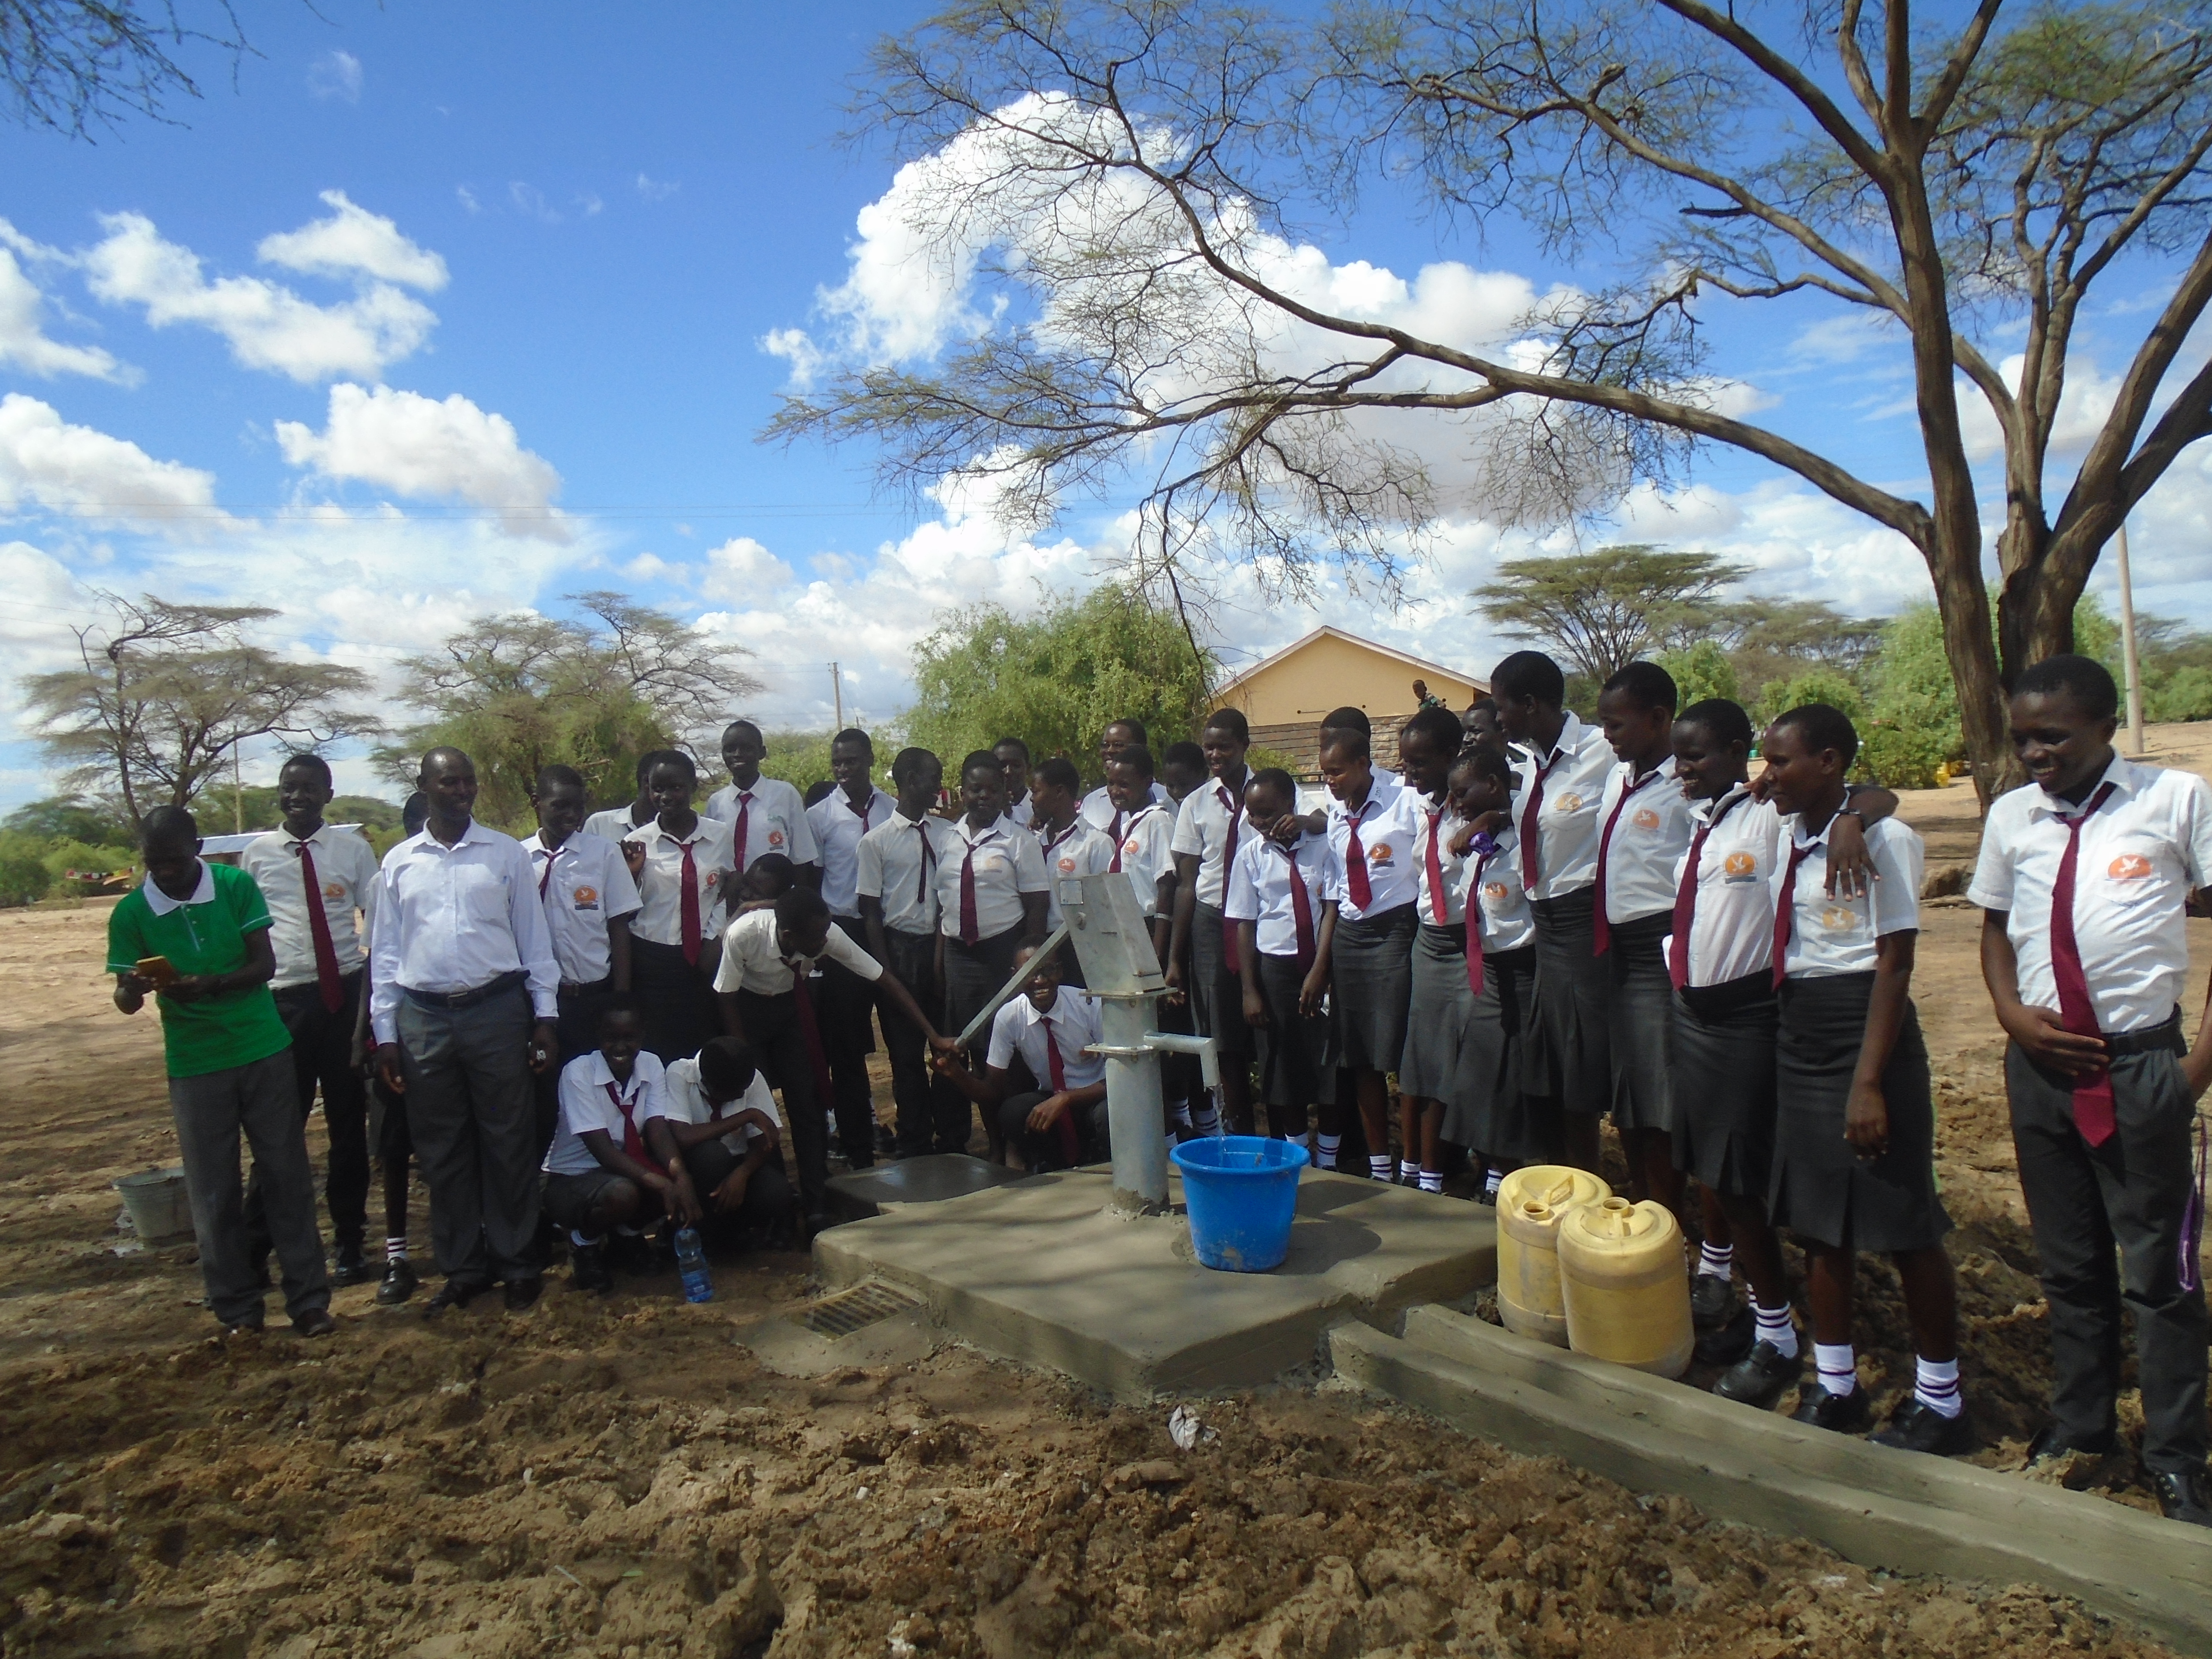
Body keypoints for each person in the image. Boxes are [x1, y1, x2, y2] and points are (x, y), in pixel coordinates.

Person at [1970, 655, 2212, 1522]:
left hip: (2142, 1068)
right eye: (2022, 737)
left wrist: (2188, 1077)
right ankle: (2080, 1429)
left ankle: (2178, 1453)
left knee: (2161, 1273)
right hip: (2038, 1068)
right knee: (2069, 1268)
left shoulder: (2173, 802)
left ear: (2104, 727)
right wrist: (2008, 1013)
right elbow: (1994, 932)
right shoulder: (2010, 817)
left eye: (2053, 736)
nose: (2034, 753)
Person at [1671, 701, 1902, 1390]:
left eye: (1700, 757)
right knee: (1720, 1176)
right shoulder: (1707, 817)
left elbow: (1870, 794)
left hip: (1752, 1016)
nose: (1684, 770)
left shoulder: (1773, 815)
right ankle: (1763, 1316)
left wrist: (1856, 815)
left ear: (1741, 752)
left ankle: (1781, 1338)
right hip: (1695, 1016)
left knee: (1746, 1182)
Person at [1761, 704, 1964, 1452]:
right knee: (1818, 1222)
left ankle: (1942, 1399)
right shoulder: (1790, 832)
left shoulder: (1885, 838)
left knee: (1903, 1222)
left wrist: (1868, 1081)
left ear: (1828, 760)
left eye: (1782, 761)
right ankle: (1837, 1384)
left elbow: (1894, 961)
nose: (1768, 773)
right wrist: (1844, 808)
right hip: (1801, 1029)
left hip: (1866, 1033)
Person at [110, 807, 334, 1337]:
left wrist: (211, 984)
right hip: (195, 1063)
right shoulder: (131, 913)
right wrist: (131, 989)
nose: (163, 871)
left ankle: (308, 1301)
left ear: (199, 847)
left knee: (286, 1177)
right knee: (213, 1191)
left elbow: (265, 966)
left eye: (174, 860)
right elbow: (123, 999)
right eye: (153, 862)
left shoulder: (234, 886)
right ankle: (236, 1308)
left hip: (262, 1048)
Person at [370, 746, 562, 1316]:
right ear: (424, 786)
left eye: (468, 781)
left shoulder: (504, 855)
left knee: (509, 1140)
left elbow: (535, 942)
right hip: (423, 1018)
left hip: (497, 1009)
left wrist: (545, 1018)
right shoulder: (398, 862)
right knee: (442, 1148)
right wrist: (385, 1034)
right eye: (448, 782)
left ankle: (519, 1263)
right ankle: (463, 1268)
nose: (460, 791)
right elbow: (384, 953)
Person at [714, 888, 954, 1230]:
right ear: (788, 936)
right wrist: (743, 1058)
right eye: (816, 938)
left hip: (789, 1009)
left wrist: (932, 1035)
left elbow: (883, 978)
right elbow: (726, 996)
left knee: (807, 1104)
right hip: (746, 1011)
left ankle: (816, 1202)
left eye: (826, 933)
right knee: (758, 1103)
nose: (825, 941)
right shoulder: (744, 935)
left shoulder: (826, 936)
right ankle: (775, 1203)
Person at [239, 752, 379, 1285]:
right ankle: (257, 1249)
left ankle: (349, 1244)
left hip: (343, 998)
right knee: (279, 1133)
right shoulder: (257, 857)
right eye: (287, 787)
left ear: (328, 793)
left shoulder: (353, 850)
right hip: (283, 1006)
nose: (296, 796)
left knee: (347, 1131)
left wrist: (368, 1019)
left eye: (308, 788)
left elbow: (379, 928)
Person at [1490, 650, 1618, 1172]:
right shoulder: (1533, 763)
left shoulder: (1602, 754)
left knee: (1581, 1072)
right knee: (1550, 1070)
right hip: (1543, 930)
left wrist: (1857, 811)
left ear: (1530, 703)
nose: (1498, 718)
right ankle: (1563, 1179)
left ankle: (1590, 1187)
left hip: (1583, 925)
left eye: (1502, 707)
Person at [1591, 663, 1696, 1212]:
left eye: (1616, 726)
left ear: (1658, 719)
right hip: (1617, 953)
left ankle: (1667, 1213)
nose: (1606, 737)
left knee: (1659, 1093)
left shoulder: (1688, 785)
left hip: (1659, 951)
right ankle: (1640, 1198)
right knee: (1627, 1090)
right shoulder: (1618, 777)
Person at [1441, 745, 1551, 1198]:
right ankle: (1497, 1173)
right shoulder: (1475, 845)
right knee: (1478, 1083)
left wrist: (1496, 819)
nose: (1456, 803)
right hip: (1487, 976)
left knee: (1517, 1091)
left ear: (1492, 784)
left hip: (1524, 975)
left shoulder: (1526, 840)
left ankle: (1527, 1184)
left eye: (1462, 791)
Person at [541, 997, 701, 1293]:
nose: (620, 1047)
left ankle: (626, 1236)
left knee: (674, 1178)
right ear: (598, 1036)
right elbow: (602, 1150)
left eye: (629, 1038)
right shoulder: (578, 1073)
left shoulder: (651, 1064)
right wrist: (664, 1185)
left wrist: (680, 1177)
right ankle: (583, 1244)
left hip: (621, 1170)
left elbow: (658, 1132)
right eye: (611, 1038)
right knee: (626, 1193)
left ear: (642, 1035)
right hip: (573, 1181)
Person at [936, 752, 1051, 1160]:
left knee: (998, 1050)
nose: (982, 797)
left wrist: (1029, 962)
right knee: (958, 1045)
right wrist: (940, 960)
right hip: (958, 955)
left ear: (1005, 793)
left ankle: (1008, 1142)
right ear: (962, 791)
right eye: (974, 789)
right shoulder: (946, 839)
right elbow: (944, 903)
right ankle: (966, 1140)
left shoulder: (1019, 841)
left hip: (1001, 953)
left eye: (991, 790)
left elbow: (1037, 903)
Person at [1319, 723, 1421, 1182]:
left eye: (1337, 772)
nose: (1331, 782)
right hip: (1351, 936)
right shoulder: (1335, 814)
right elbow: (1336, 881)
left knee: (1400, 1053)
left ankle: (1417, 1164)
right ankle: (1380, 1166)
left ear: (1364, 764)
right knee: (1359, 1056)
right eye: (1324, 775)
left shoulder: (1405, 800)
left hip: (1395, 932)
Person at [524, 764, 640, 1160]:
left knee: (596, 1092)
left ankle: (598, 1176)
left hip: (592, 999)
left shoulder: (602, 854)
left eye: (578, 806)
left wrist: (620, 998)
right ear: (537, 804)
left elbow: (619, 925)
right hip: (540, 1005)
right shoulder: (517, 859)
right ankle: (548, 1182)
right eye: (560, 806)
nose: (571, 815)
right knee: (545, 1094)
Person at [858, 749, 969, 1157]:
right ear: (907, 780)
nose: (937, 787)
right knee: (905, 1053)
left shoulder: (948, 835)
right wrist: (884, 969)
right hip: (898, 949)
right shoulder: (876, 842)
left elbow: (950, 897)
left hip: (942, 945)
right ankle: (915, 1137)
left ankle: (954, 1135)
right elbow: (870, 911)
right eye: (931, 778)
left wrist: (943, 957)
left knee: (949, 1046)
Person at [1226, 768, 1339, 1163]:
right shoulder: (1250, 856)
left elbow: (1330, 909)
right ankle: (1299, 1156)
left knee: (1328, 1065)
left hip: (1321, 965)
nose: (1260, 823)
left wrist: (1320, 972)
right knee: (1285, 1064)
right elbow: (1244, 921)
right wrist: (1250, 990)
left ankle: (1330, 1156)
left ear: (1291, 807)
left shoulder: (1324, 845)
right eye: (1253, 815)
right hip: (1276, 970)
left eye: (1268, 813)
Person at [1395, 706, 1478, 1192]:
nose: (1411, 774)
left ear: (1451, 756)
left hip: (1467, 942)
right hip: (1428, 942)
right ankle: (1423, 1172)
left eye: (1420, 764)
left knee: (1464, 1062)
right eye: (1405, 765)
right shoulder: (1422, 810)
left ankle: (1472, 1169)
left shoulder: (1477, 808)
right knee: (1423, 1061)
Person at [805, 728, 896, 1170]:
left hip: (887, 929)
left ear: (870, 760)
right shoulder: (819, 817)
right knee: (846, 1048)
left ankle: (914, 1135)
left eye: (853, 761)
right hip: (841, 932)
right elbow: (814, 880)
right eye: (837, 763)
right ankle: (859, 1144)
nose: (844, 770)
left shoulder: (893, 811)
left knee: (898, 1036)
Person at [937, 943, 1109, 1171]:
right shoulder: (1009, 1017)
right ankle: (1056, 1165)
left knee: (1108, 1115)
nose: (1040, 981)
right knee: (1014, 1113)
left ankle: (1110, 1169)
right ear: (1015, 977)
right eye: (1029, 973)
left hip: (1096, 1096)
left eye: (1047, 970)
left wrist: (1066, 1098)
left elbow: (1120, 1077)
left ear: (1060, 971)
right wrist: (958, 1075)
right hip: (1053, 1101)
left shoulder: (1088, 1005)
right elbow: (992, 1091)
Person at [1169, 711, 1258, 1135]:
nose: (1215, 754)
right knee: (1222, 1036)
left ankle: (1282, 1131)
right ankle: (1237, 1127)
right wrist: (1173, 956)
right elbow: (1186, 883)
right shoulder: (1197, 803)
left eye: (1224, 746)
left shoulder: (1274, 790)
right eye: (1209, 747)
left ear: (1244, 744)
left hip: (1262, 921)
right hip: (1210, 920)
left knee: (1262, 1023)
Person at [358, 789, 428, 1304]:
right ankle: (397, 1256)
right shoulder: (389, 878)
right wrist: (376, 1036)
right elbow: (377, 962)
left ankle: (466, 1239)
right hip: (398, 1026)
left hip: (452, 1025)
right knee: (394, 1146)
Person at [621, 751, 734, 1065]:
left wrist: (714, 939)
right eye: (657, 789)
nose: (665, 797)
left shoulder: (718, 836)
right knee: (659, 1052)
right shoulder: (637, 842)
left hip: (702, 958)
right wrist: (631, 873)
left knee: (700, 1049)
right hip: (652, 960)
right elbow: (625, 907)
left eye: (676, 788)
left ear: (693, 787)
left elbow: (727, 892)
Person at [660, 1036, 796, 1248]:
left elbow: (765, 1140)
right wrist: (746, 1115)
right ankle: (701, 1228)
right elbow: (683, 1137)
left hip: (738, 1164)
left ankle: (735, 1229)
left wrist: (743, 1173)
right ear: (707, 1084)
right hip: (697, 1168)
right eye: (732, 1095)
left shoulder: (750, 1077)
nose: (740, 1095)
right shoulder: (679, 1073)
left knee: (776, 1192)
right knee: (712, 1155)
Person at [1029, 756, 1115, 986]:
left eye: (1036, 791)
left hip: (1080, 945)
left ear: (1059, 792)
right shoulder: (1033, 843)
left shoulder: (1095, 843)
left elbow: (1106, 906)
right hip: (1041, 942)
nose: (1031, 799)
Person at [705, 720, 819, 881]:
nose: (737, 754)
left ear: (762, 752)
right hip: (726, 899)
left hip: (774, 900)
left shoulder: (785, 795)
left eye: (746, 748)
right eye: (730, 749)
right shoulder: (716, 803)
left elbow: (802, 858)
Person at [1081, 718, 1169, 828]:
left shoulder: (1165, 799)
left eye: (1118, 745)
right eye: (1105, 745)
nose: (1110, 750)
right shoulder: (1091, 802)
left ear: (1142, 748)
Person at [584, 750, 684, 843]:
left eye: (677, 788)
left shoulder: (683, 832)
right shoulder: (599, 825)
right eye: (661, 787)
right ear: (647, 782)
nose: (667, 796)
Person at [995, 736, 1036, 828]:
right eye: (1002, 766)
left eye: (1016, 766)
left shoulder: (1040, 809)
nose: (1008, 772)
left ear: (1028, 769)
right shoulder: (984, 809)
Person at [1161, 741, 1208, 805]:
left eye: (1184, 785)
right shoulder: (1168, 808)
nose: (1176, 792)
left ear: (1205, 774)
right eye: (1171, 786)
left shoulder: (1217, 806)